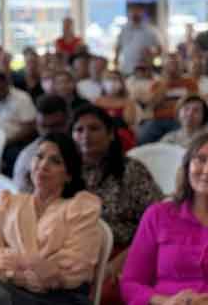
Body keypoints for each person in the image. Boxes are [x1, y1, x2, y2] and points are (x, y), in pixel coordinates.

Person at [0, 133, 103, 305]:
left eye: (55, 161)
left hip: (60, 298)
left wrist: (9, 264)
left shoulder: (81, 207)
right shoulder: (9, 202)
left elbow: (74, 268)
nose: (43, 165)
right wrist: (22, 271)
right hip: (11, 288)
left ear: (69, 175)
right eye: (39, 157)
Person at [70, 105, 163, 305]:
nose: (86, 135)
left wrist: (116, 264)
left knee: (102, 295)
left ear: (111, 134)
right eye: (79, 130)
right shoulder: (66, 172)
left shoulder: (131, 170)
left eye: (94, 128)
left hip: (125, 252)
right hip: (74, 252)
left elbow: (158, 224)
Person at [120, 130, 208, 304]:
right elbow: (130, 284)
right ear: (187, 166)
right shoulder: (158, 215)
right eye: (201, 159)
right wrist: (166, 302)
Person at [0, 72, 38, 177]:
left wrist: (5, 142)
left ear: (8, 86)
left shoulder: (22, 98)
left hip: (13, 142)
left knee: (15, 156)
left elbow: (30, 127)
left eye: (0, 89)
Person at [13, 95, 72, 190]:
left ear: (68, 121)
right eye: (43, 127)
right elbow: (20, 192)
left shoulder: (82, 147)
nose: (49, 132)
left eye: (55, 126)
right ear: (37, 125)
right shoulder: (27, 157)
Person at [139, 52, 199, 145]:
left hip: (180, 120)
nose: (173, 67)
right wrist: (165, 82)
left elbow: (194, 102)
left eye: (176, 63)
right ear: (164, 66)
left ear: (181, 66)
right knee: (143, 138)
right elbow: (152, 104)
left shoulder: (190, 83)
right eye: (170, 63)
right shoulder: (157, 84)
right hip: (158, 120)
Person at [115, 4, 163, 76]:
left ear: (142, 12)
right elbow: (118, 48)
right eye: (132, 10)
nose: (135, 13)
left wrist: (152, 54)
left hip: (144, 71)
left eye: (138, 10)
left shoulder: (150, 30)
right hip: (126, 70)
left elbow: (160, 49)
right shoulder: (124, 29)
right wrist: (116, 64)